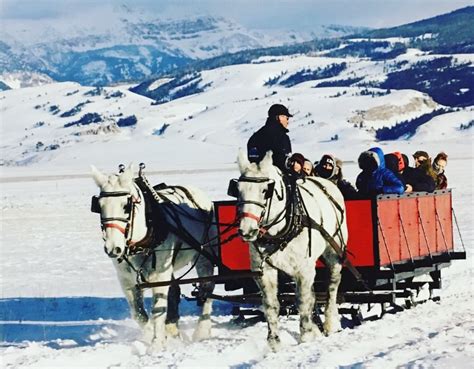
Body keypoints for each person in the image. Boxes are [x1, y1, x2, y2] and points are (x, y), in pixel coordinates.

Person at [247, 104, 293, 171]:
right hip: (275, 176)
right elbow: (283, 162)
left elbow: (252, 160)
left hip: (254, 174)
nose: (287, 122)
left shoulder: (255, 136)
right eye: (287, 118)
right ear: (279, 117)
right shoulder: (281, 137)